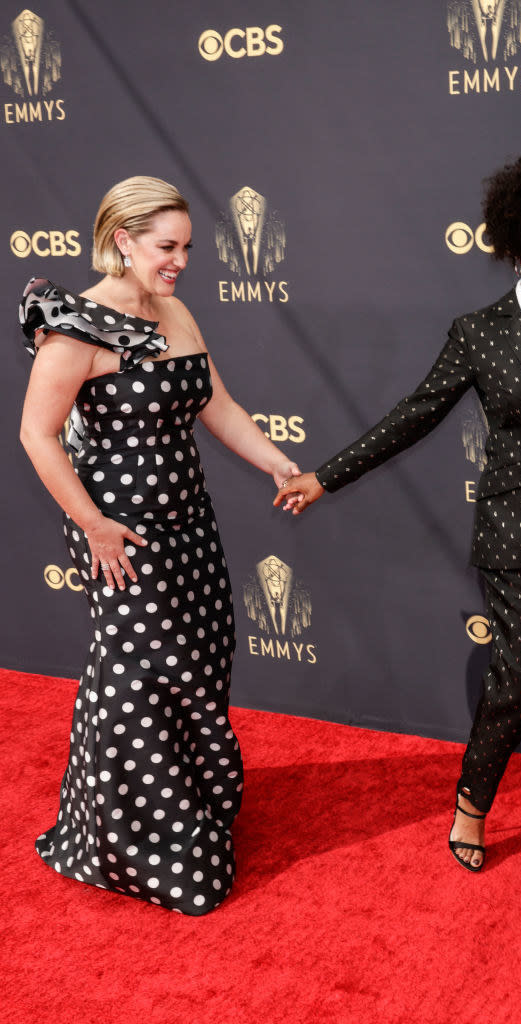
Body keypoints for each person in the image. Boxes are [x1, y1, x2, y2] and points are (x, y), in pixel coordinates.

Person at [274, 151, 521, 878]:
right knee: (518, 675)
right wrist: (324, 477)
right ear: (516, 240)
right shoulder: (477, 332)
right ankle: (471, 803)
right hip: (513, 534)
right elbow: (417, 414)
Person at [19, 176, 300, 914]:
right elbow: (36, 436)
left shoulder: (173, 310)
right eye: (166, 247)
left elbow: (218, 404)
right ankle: (139, 845)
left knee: (200, 665)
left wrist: (273, 459)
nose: (180, 261)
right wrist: (93, 525)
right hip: (121, 537)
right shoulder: (76, 327)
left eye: (186, 248)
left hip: (189, 527)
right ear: (124, 240)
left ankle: (196, 808)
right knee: (142, 680)